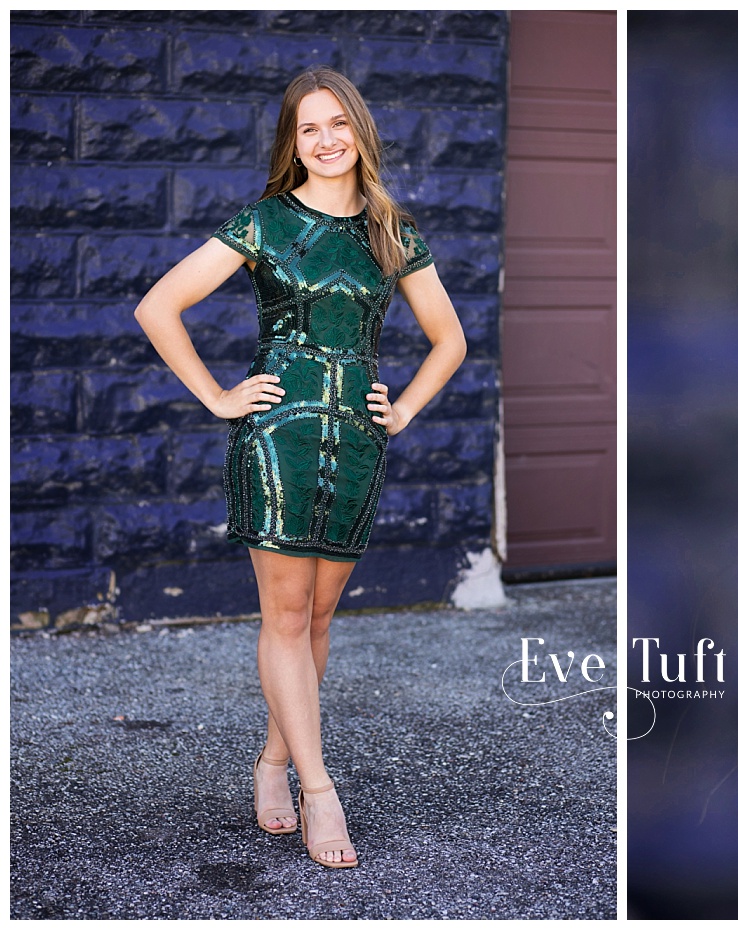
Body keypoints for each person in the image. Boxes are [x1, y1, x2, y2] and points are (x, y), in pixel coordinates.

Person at [134, 68, 466, 869]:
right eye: (308, 128)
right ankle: (320, 789)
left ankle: (273, 762)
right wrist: (218, 395)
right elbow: (157, 306)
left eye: (338, 124)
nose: (325, 140)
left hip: (355, 443)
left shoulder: (392, 231)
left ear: (360, 132)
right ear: (292, 142)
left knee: (317, 621)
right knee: (285, 618)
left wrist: (404, 410)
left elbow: (451, 340)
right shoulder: (264, 222)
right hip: (277, 438)